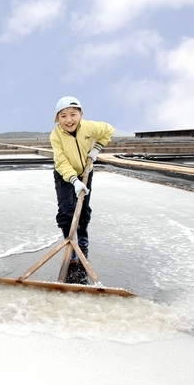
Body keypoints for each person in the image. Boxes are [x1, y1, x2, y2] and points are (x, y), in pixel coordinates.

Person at [50, 96, 114, 267]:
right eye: (63, 116)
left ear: (81, 114)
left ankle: (83, 235)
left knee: (83, 207)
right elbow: (61, 162)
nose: (68, 120)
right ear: (58, 118)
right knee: (66, 210)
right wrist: (73, 180)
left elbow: (109, 130)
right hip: (64, 174)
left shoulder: (90, 127)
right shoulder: (56, 136)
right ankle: (70, 243)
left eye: (73, 114)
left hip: (85, 171)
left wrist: (97, 149)